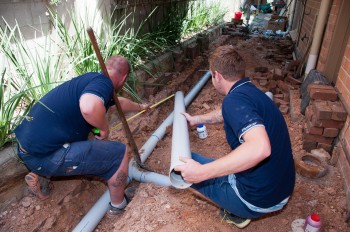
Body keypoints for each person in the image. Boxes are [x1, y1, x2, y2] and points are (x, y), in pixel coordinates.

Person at [175, 45, 295, 229]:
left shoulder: (233, 100)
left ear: (217, 76)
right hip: (280, 189)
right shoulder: (250, 92)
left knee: (182, 166)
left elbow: (260, 148)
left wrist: (201, 173)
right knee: (203, 164)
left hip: (258, 199)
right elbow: (228, 112)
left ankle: (237, 211)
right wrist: (197, 119)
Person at [14, 56, 148, 216]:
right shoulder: (105, 84)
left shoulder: (92, 80)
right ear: (124, 77)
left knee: (88, 137)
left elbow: (119, 103)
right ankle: (118, 205)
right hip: (46, 156)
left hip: (28, 149)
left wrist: (140, 107)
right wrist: (103, 128)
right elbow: (89, 107)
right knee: (118, 155)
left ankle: (42, 176)